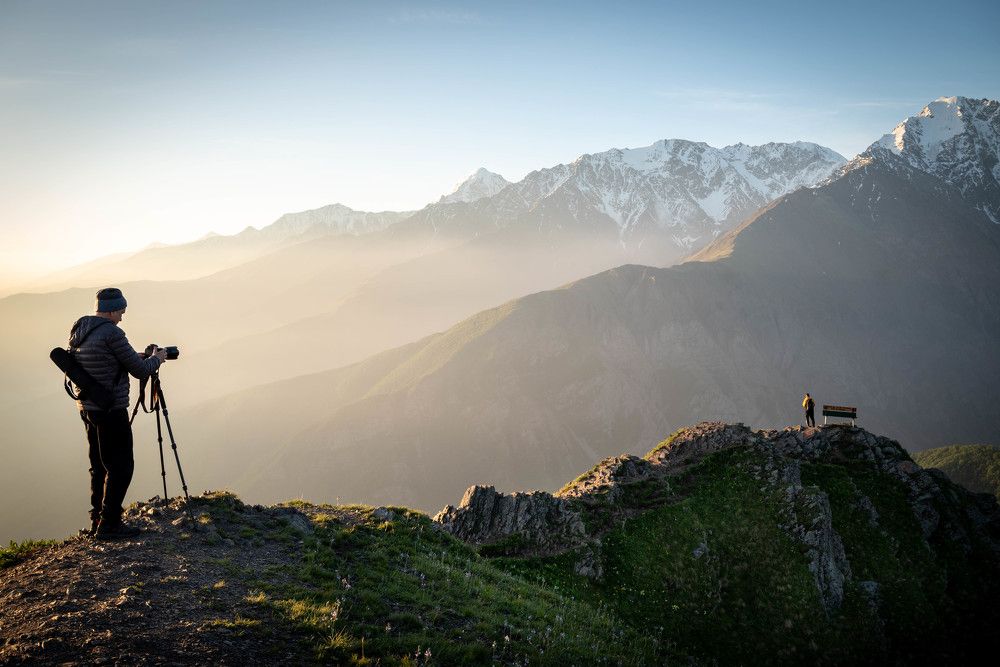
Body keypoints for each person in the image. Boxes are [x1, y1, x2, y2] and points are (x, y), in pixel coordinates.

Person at [69, 287, 167, 540]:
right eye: (121, 311)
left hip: (88, 408)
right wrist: (158, 358)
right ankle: (110, 524)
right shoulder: (113, 333)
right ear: (112, 310)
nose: (122, 316)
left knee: (98, 465)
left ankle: (97, 519)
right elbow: (140, 371)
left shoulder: (82, 329)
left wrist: (137, 356)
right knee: (121, 466)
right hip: (111, 410)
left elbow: (103, 360)